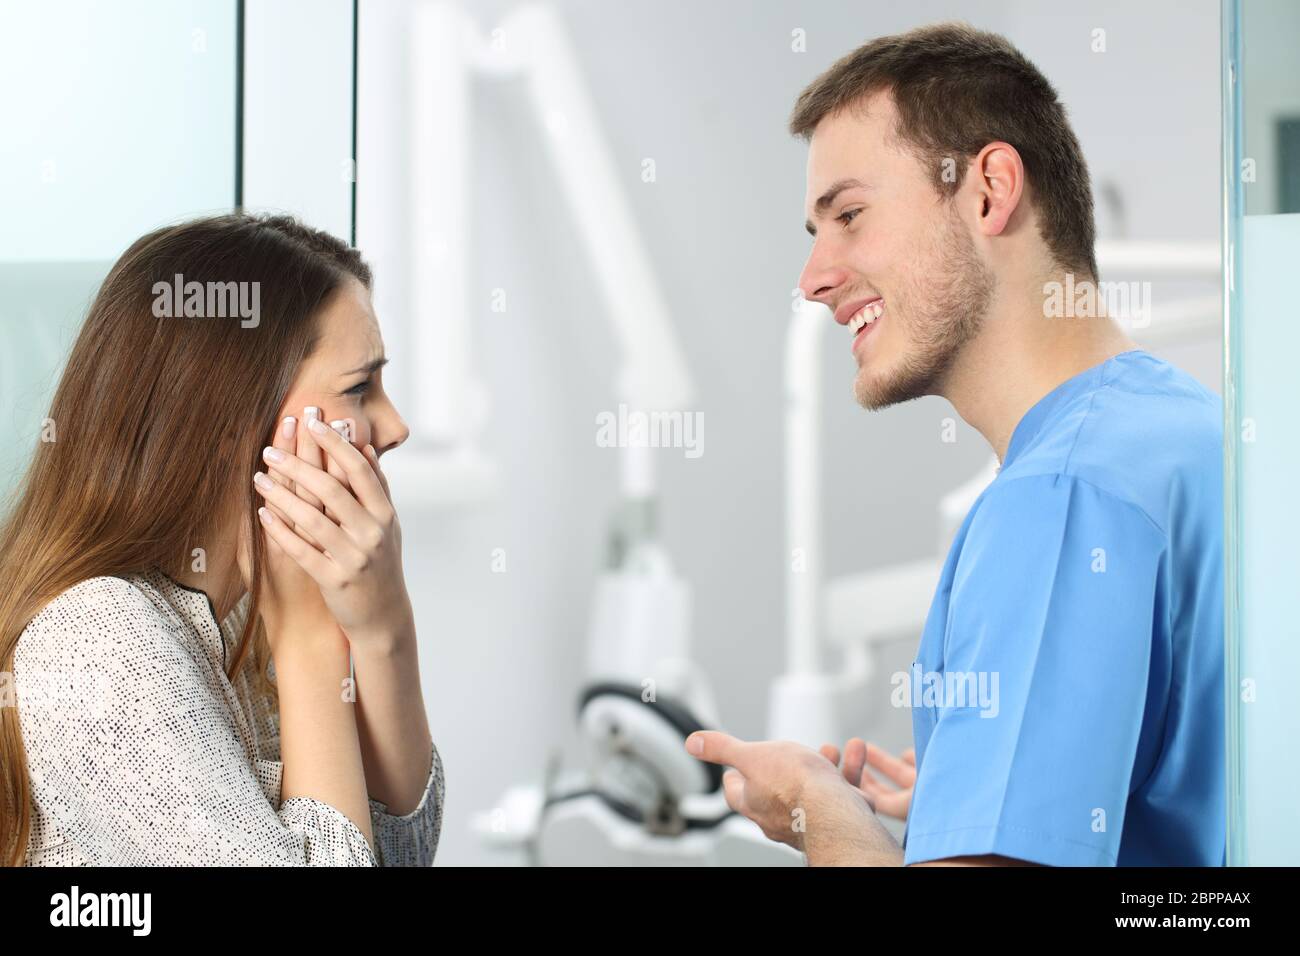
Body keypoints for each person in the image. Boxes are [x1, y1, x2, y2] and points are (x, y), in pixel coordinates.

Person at [686, 22, 1224, 867]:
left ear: (988, 192)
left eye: (850, 215)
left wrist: (818, 813)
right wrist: (968, 800)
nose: (814, 279)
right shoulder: (1186, 429)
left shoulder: (1060, 496)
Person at [0, 213, 442, 866]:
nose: (395, 426)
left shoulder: (240, 608)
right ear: (230, 422)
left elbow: (397, 857)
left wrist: (385, 633)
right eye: (358, 388)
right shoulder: (98, 639)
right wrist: (311, 642)